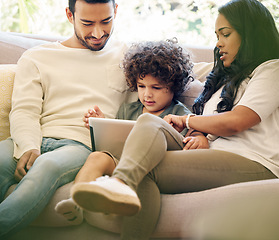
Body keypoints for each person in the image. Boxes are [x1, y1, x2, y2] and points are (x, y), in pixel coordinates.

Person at [69, 0, 279, 234]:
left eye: (225, 34)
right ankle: (123, 184)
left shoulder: (272, 70)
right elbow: (207, 113)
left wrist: (188, 121)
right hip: (219, 154)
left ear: (250, 34)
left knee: (145, 165)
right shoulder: (227, 80)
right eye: (217, 35)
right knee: (148, 126)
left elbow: (237, 121)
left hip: (256, 163)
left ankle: (121, 182)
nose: (218, 43)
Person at [0, 0, 137, 239]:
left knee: (47, 166)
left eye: (106, 21)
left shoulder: (128, 57)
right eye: (87, 23)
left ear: (116, 11)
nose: (97, 33)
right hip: (35, 137)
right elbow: (24, 110)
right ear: (69, 15)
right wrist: (29, 145)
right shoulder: (37, 57)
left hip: (80, 145)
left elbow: (141, 110)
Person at [55, 40, 209, 237]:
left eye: (156, 87)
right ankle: (76, 201)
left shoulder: (179, 112)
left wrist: (198, 136)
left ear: (173, 86)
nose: (147, 94)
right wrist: (100, 123)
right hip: (122, 164)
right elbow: (114, 139)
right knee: (97, 157)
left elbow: (193, 130)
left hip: (158, 168)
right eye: (141, 86)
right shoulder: (128, 109)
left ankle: (113, 192)